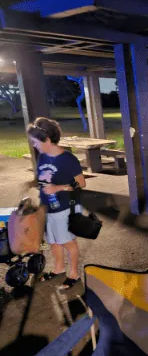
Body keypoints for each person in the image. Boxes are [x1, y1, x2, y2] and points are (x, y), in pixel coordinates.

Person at [26, 117, 86, 291]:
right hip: (48, 207)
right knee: (53, 241)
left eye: (36, 142)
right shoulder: (43, 157)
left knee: (67, 242)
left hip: (65, 208)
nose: (34, 145)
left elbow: (81, 183)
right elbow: (44, 180)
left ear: (47, 140)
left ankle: (74, 274)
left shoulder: (68, 159)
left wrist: (58, 188)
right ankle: (59, 268)